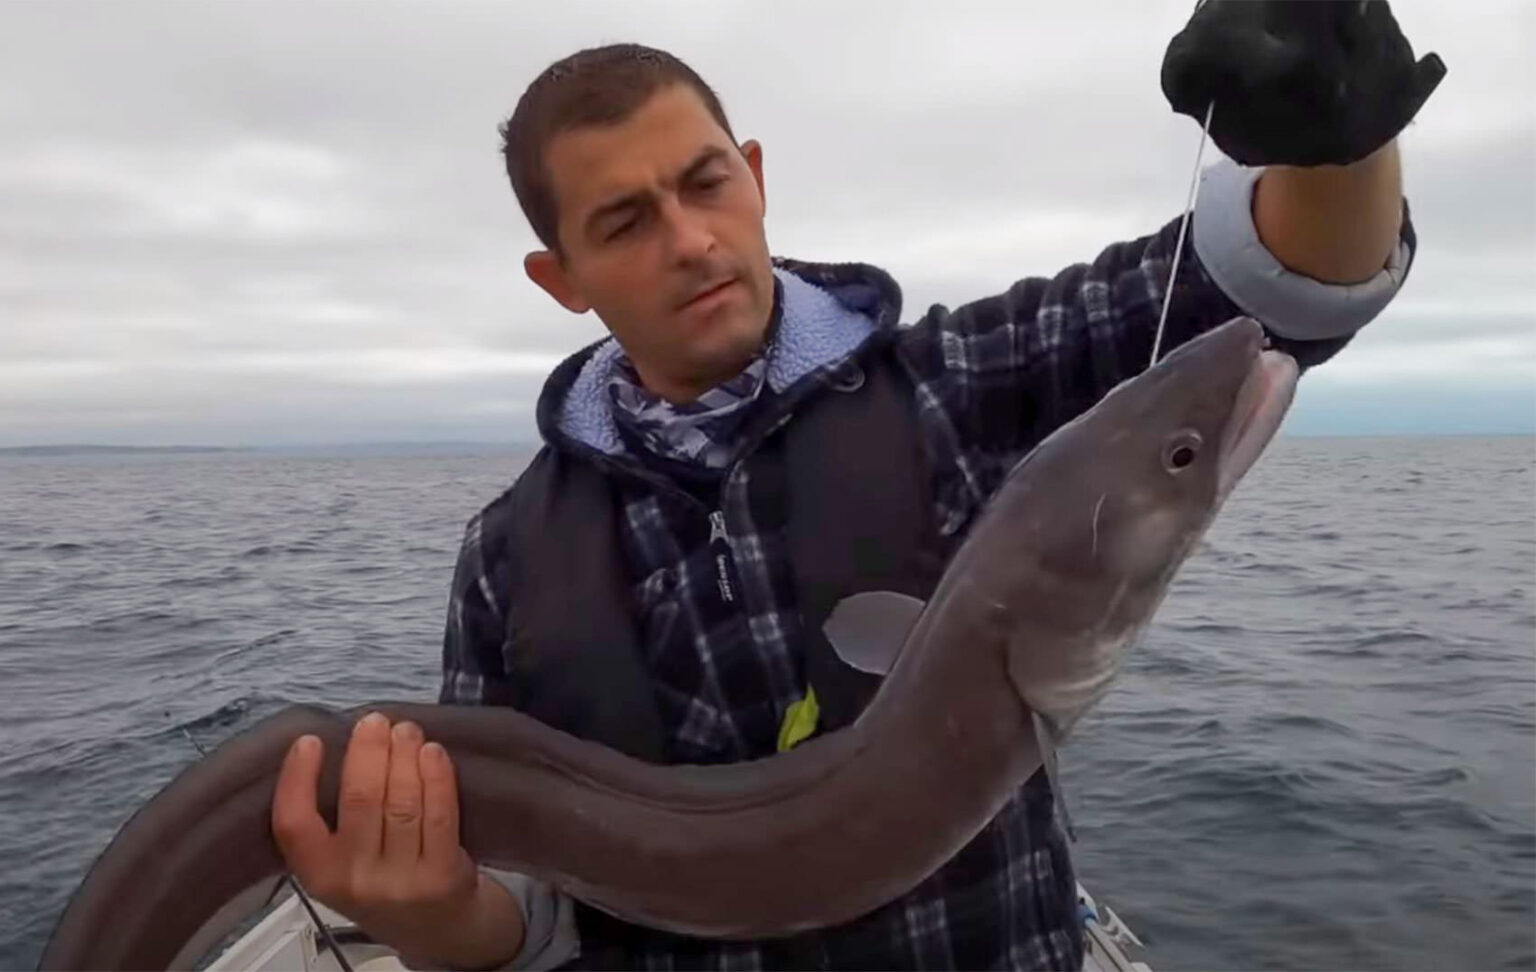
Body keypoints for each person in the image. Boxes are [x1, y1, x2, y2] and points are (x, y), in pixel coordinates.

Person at [271, 3, 1444, 969]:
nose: (690, 239)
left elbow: (1280, 284)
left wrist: (1336, 131)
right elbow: (525, 914)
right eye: (626, 220)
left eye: (706, 181)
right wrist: (434, 921)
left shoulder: (957, 379)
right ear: (559, 277)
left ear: (758, 176)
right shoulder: (510, 559)